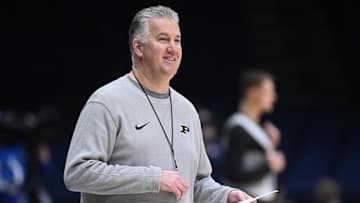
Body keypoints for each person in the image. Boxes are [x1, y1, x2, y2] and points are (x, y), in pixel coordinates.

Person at [63, 5, 256, 203]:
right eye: (163, 39)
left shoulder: (187, 110)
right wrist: (153, 178)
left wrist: (225, 196)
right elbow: (78, 172)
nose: (172, 48)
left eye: (177, 40)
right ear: (138, 47)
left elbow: (197, 183)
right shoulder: (106, 101)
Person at [222, 69, 286, 203]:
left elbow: (253, 159)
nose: (274, 97)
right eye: (269, 92)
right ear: (252, 92)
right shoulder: (238, 127)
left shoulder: (258, 128)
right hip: (246, 197)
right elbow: (234, 173)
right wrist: (270, 166)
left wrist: (271, 145)